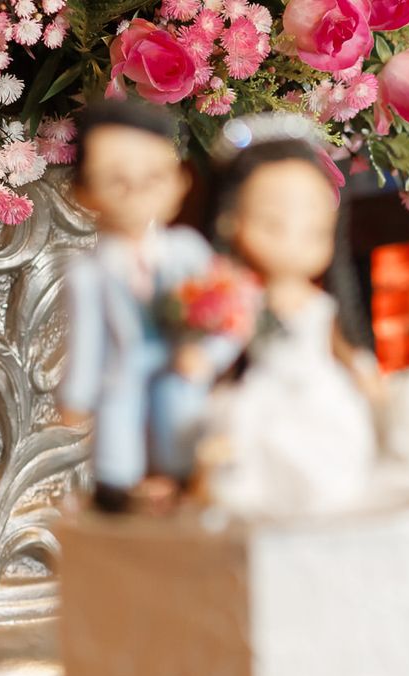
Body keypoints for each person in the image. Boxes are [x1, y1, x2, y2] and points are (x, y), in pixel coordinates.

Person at [188, 115, 383, 517]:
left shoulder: (319, 304)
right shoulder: (244, 296)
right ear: (231, 221)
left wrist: (366, 374)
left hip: (321, 393)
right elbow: (225, 344)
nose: (295, 241)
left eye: (314, 230)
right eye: (274, 224)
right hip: (265, 394)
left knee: (336, 448)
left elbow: (342, 347)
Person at [58, 99, 225, 514]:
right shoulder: (90, 271)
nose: (135, 193)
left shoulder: (188, 253)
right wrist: (76, 398)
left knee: (183, 442)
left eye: (153, 178)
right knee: (117, 456)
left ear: (178, 182)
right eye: (116, 180)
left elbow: (228, 314)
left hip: (180, 375)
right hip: (121, 381)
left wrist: (206, 356)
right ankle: (120, 497)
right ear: (83, 191)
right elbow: (87, 340)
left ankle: (183, 488)